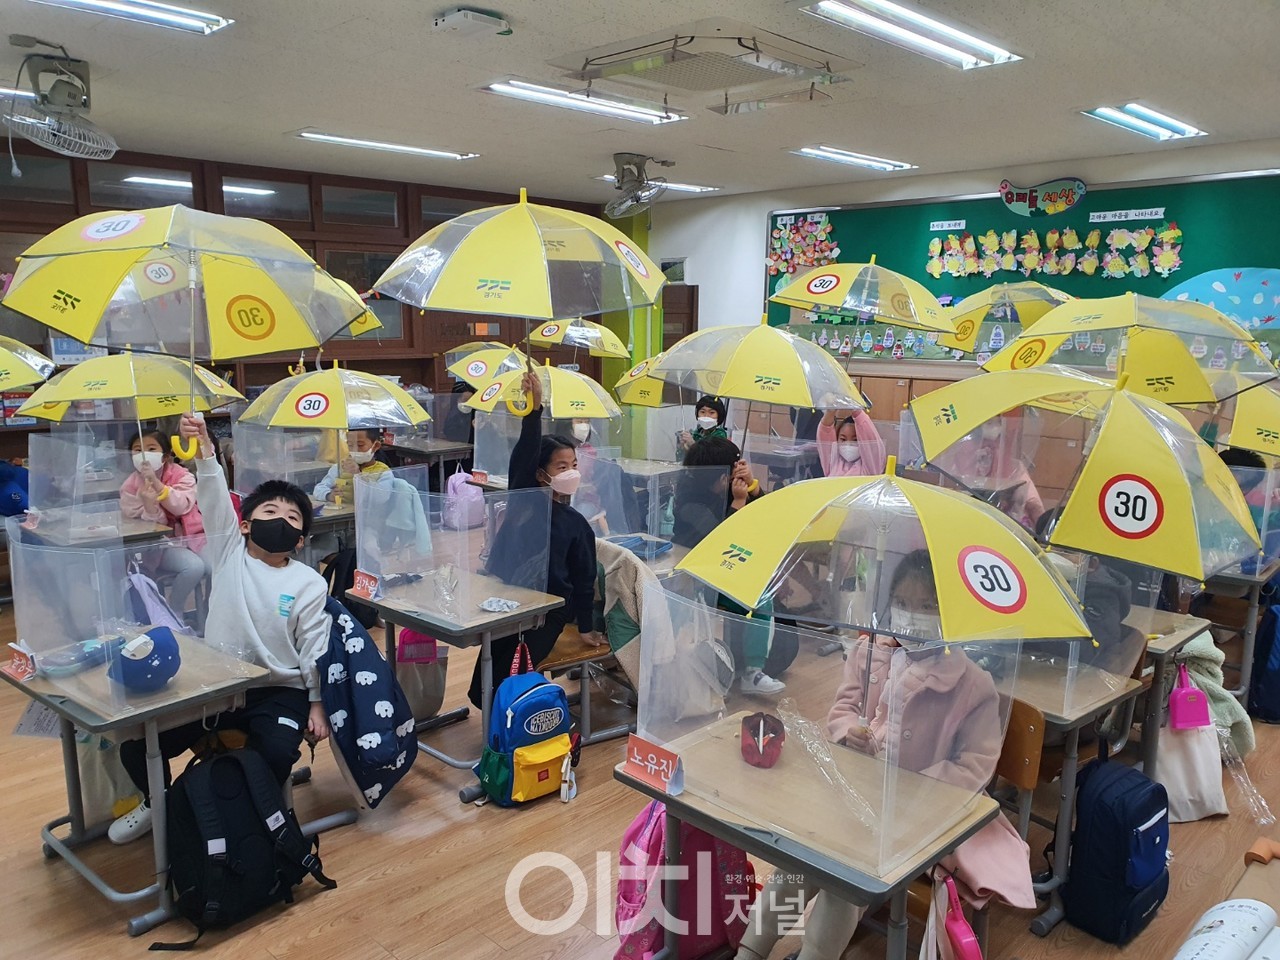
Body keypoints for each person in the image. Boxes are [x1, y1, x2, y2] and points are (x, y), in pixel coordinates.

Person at [736, 550, 1031, 960]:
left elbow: (975, 767)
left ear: (951, 613)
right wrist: (848, 734)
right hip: (855, 797)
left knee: (845, 882)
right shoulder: (870, 651)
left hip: (922, 818)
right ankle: (749, 952)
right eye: (904, 604)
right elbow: (841, 711)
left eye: (928, 606)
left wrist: (912, 789)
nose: (913, 615)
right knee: (798, 862)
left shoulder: (973, 685)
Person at [108, 413, 332, 844]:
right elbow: (210, 496)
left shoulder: (309, 582)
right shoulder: (229, 553)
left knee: (276, 751)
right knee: (137, 745)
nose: (280, 520)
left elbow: (314, 648)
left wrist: (316, 703)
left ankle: (252, 816)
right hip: (219, 686)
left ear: (301, 539)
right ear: (244, 524)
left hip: (279, 689)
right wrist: (206, 450)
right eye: (269, 511)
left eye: (292, 518)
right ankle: (161, 802)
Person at [470, 371, 603, 708]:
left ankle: (511, 729)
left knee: (507, 679)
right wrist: (534, 410)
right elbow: (524, 456)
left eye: (573, 464)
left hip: (549, 613)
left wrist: (586, 627)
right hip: (511, 602)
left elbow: (585, 581)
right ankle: (501, 721)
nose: (571, 471)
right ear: (541, 474)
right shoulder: (526, 506)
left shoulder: (576, 525)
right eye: (561, 466)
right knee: (483, 684)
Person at [673, 437, 785, 694]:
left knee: (761, 596)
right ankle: (750, 672)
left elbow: (765, 517)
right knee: (757, 599)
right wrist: (737, 502)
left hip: (726, 567)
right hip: (696, 574)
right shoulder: (690, 501)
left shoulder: (723, 490)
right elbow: (719, 539)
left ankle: (752, 672)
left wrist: (754, 489)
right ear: (718, 474)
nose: (736, 474)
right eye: (732, 469)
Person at [119, 427, 209, 618]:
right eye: (137, 449)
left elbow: (181, 506)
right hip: (159, 545)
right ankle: (174, 610)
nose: (144, 454)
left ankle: (210, 609)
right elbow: (145, 525)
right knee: (194, 567)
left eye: (151, 449)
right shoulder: (130, 485)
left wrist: (157, 484)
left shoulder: (183, 476)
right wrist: (148, 505)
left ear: (166, 456)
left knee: (218, 566)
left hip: (193, 538)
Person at [312, 428, 392, 503]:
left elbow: (382, 498)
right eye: (350, 445)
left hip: (369, 515)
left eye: (360, 445)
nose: (355, 450)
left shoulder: (383, 471)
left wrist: (359, 475)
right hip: (344, 514)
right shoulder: (341, 467)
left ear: (376, 446)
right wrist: (329, 495)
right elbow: (319, 489)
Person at [816, 408, 886, 478]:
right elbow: (825, 431)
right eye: (843, 439)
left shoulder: (872, 467)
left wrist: (856, 408)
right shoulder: (833, 462)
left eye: (855, 440)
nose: (848, 444)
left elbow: (870, 441)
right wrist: (830, 411)